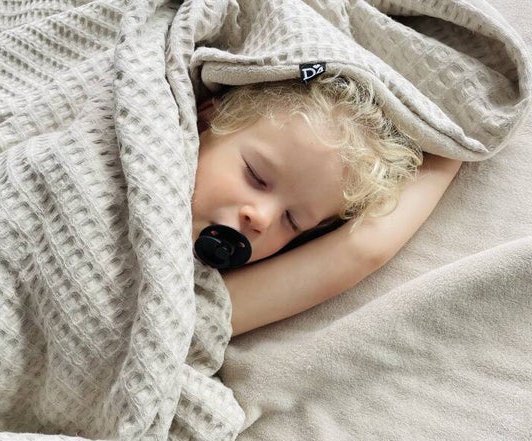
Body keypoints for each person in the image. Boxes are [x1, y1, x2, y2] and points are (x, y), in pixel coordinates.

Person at [192, 75, 462, 337]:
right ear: (208, 118)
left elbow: (362, 249)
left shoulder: (197, 306)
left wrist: (458, 137)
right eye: (255, 176)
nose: (262, 218)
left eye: (292, 220)